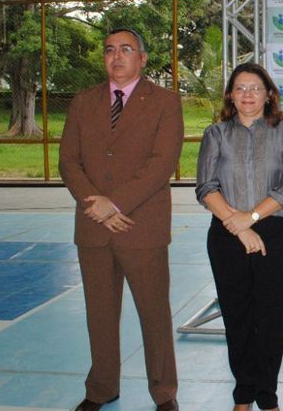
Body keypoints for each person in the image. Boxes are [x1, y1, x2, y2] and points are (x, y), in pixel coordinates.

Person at [59, 28, 183, 411]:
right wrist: (93, 204)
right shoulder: (83, 102)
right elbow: (68, 161)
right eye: (110, 50)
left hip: (140, 227)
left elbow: (161, 165)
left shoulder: (165, 102)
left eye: (126, 50)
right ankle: (101, 389)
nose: (117, 57)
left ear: (143, 59)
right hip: (93, 228)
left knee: (154, 316)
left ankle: (164, 393)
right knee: (100, 315)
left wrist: (114, 205)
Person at [195, 62, 283, 411]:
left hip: (274, 232)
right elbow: (206, 186)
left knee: (270, 318)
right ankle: (243, 394)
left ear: (269, 93)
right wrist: (238, 224)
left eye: (255, 88)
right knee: (236, 316)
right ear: (230, 95)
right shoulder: (216, 134)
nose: (247, 95)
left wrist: (252, 218)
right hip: (226, 235)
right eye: (240, 88)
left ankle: (267, 396)